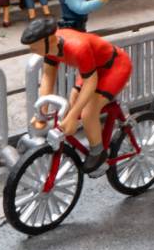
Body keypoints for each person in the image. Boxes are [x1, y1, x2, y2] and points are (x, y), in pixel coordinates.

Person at [21, 17, 133, 176]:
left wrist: (73, 117)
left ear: (49, 40)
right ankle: (93, 131)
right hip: (93, 66)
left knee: (88, 112)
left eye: (34, 46)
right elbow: (47, 77)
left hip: (114, 67)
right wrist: (42, 113)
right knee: (73, 98)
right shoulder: (51, 48)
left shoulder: (77, 47)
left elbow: (90, 84)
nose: (31, 50)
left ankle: (98, 152)